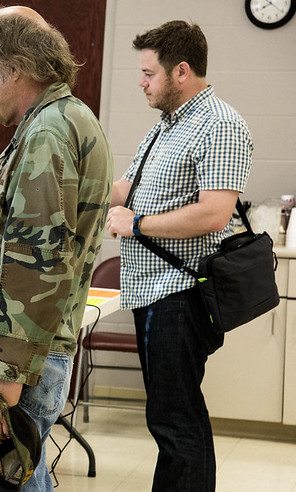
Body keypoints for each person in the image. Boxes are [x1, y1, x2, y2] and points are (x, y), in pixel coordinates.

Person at [0, 7, 113, 491]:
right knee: (19, 479)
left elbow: (36, 265)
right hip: (25, 350)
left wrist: (6, 383)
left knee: (0, 482)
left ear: (13, 66)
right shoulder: (62, 120)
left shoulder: (47, 133)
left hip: (16, 357)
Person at [106, 21, 252, 491]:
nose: (141, 82)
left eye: (149, 73)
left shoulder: (221, 124)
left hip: (182, 293)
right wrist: (62, 184)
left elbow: (213, 213)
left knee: (176, 422)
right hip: (152, 291)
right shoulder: (167, 126)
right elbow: (127, 189)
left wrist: (137, 224)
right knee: (171, 418)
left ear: (182, 71)